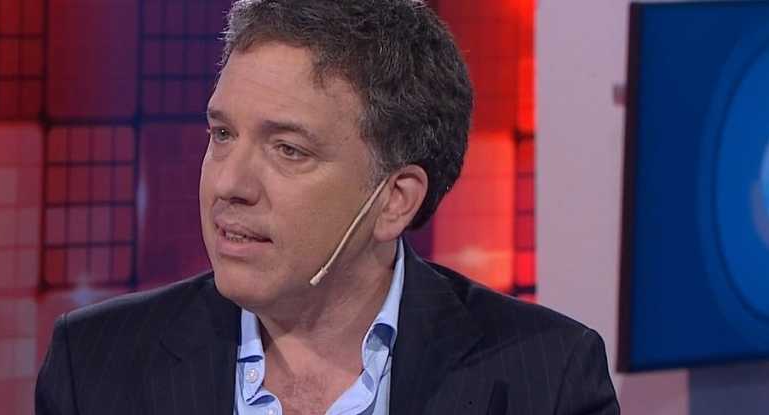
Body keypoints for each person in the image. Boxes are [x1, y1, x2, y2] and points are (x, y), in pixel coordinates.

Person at [35, 0, 619, 414]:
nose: (229, 183)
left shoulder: (547, 379)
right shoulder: (96, 365)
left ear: (394, 201)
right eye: (222, 134)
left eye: (288, 149)